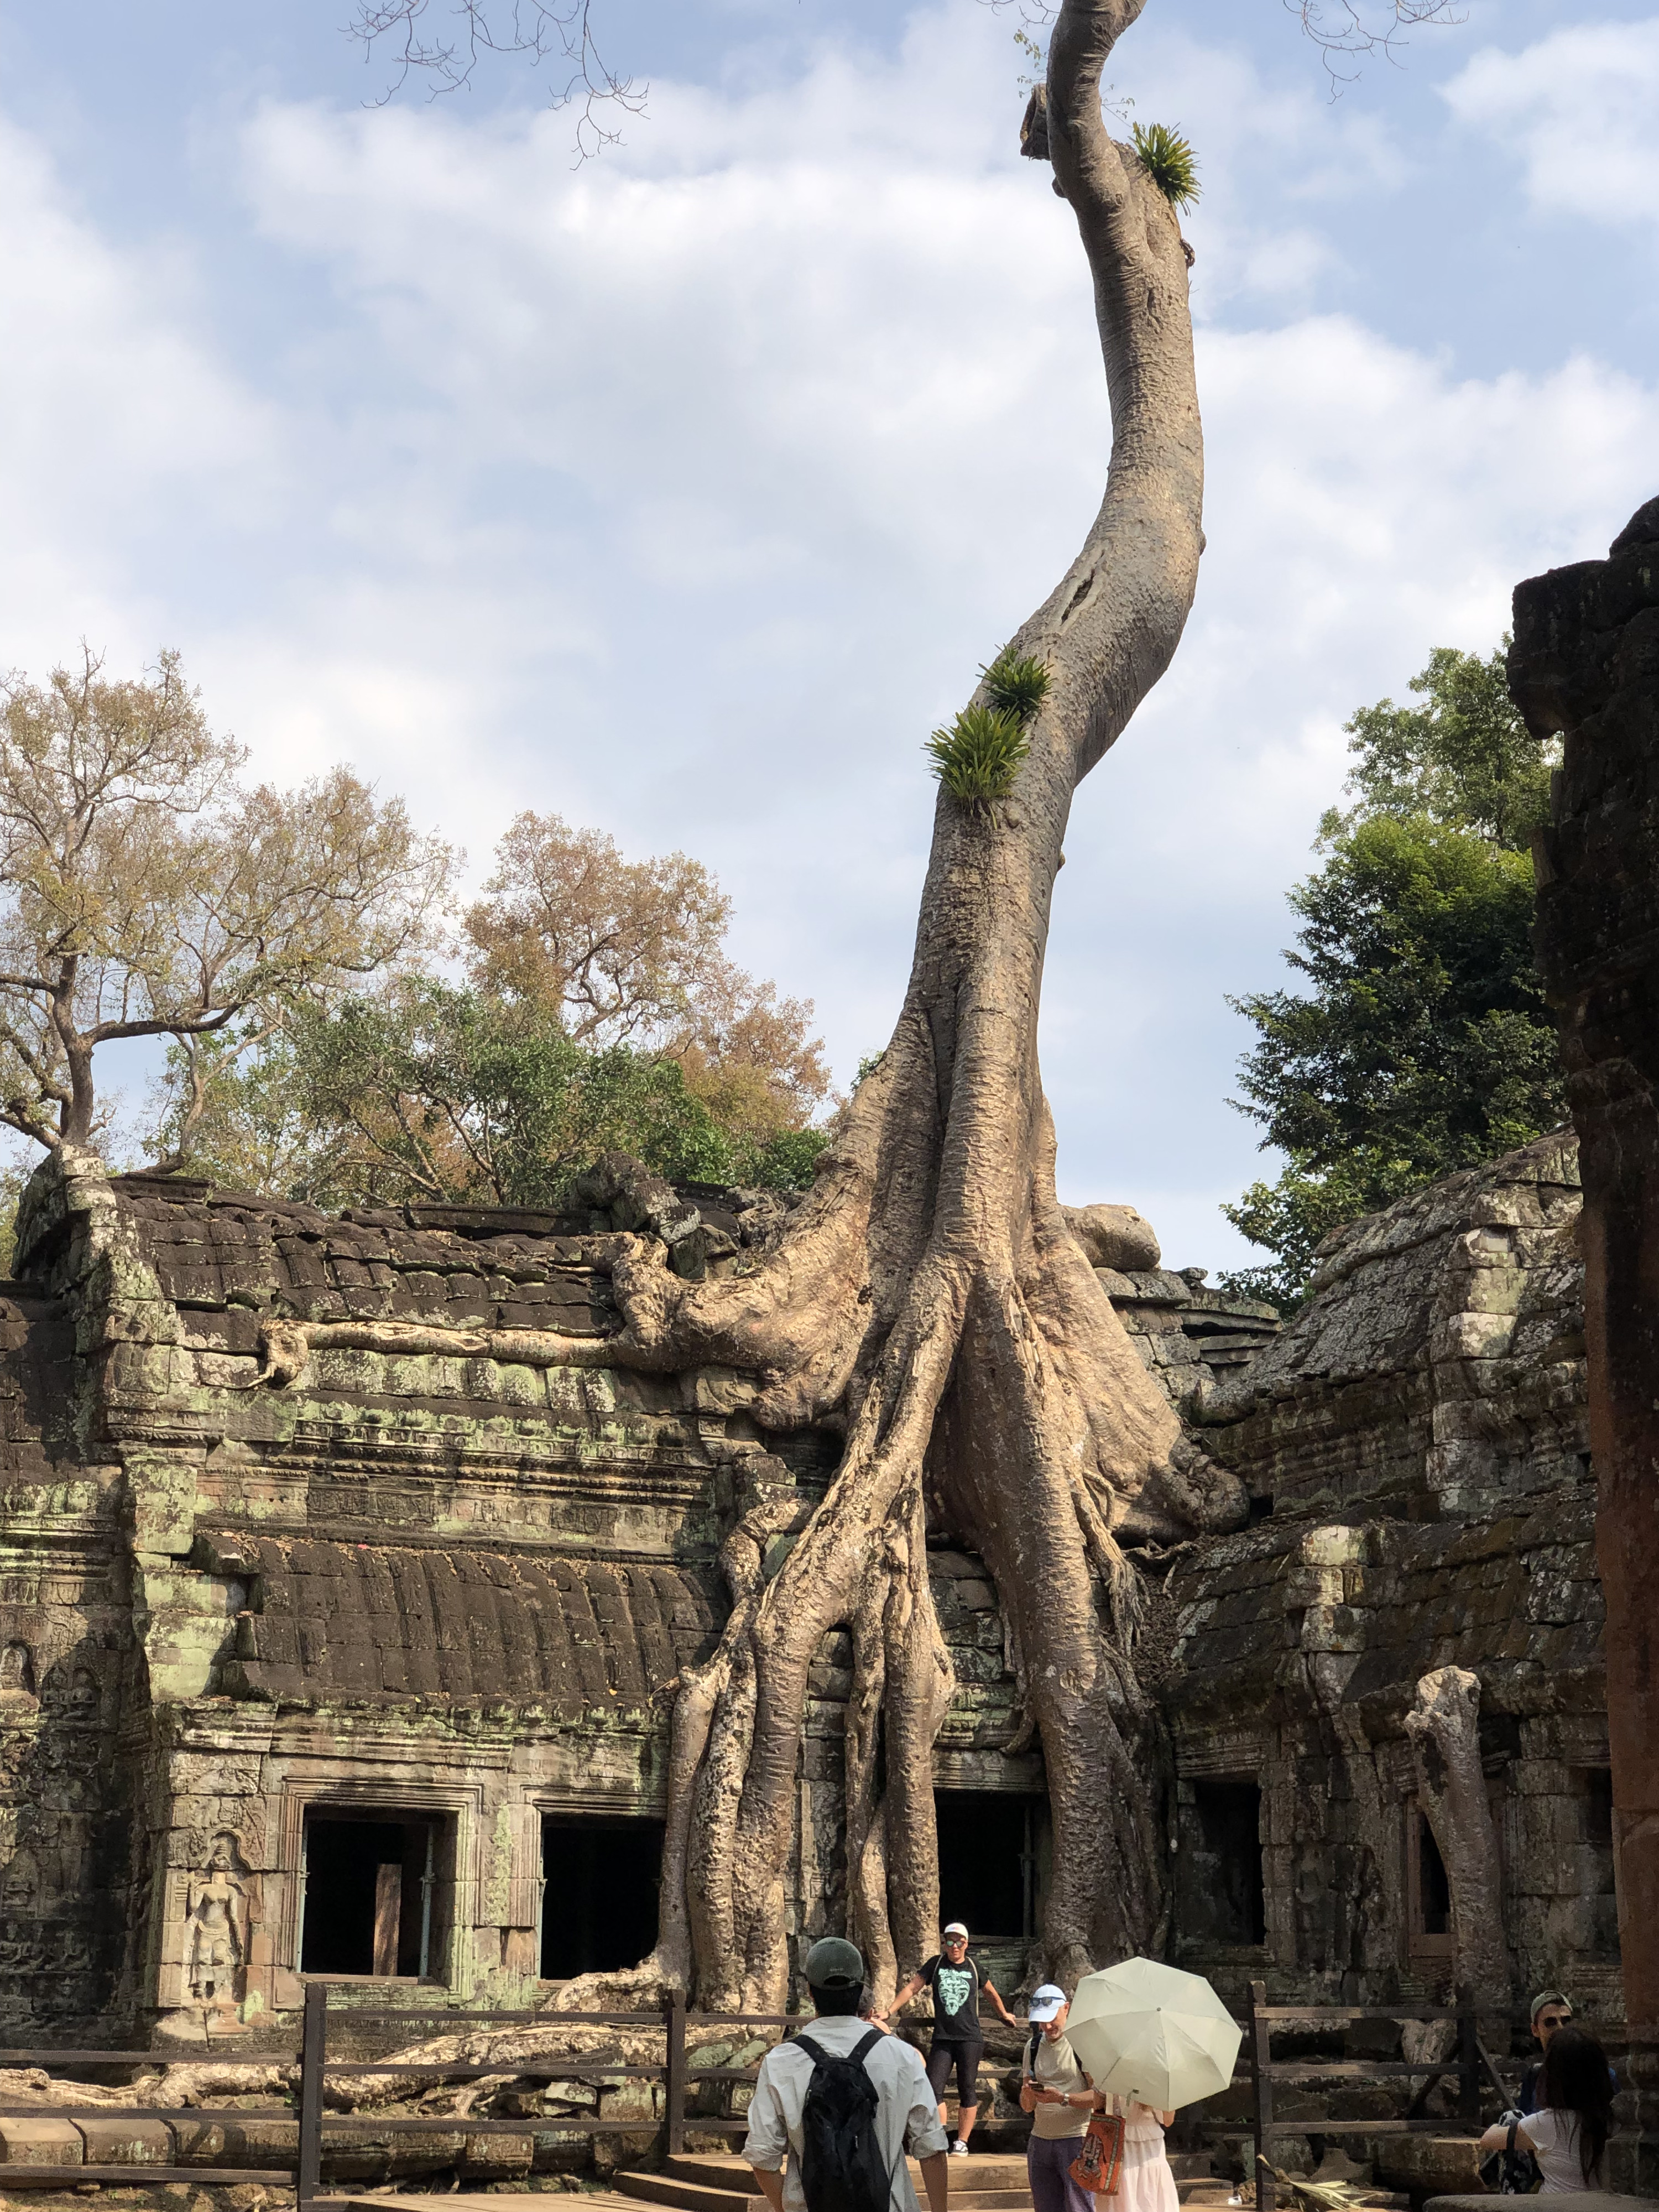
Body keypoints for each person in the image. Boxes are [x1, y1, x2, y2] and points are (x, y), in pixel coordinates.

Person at [746, 1936, 950, 2212]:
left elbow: (762, 2158)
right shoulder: (901, 2056)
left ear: (810, 1991)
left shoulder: (781, 2061)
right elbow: (932, 2148)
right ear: (861, 1988)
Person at [1019, 1984, 1178, 2212]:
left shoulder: (1082, 2046)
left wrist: (1063, 2098)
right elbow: (1027, 2107)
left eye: (1052, 2018)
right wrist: (1028, 2095)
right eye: (1041, 2021)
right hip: (1041, 2139)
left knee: (1081, 2206)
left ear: (1066, 2009)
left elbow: (1099, 2098)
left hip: (1078, 2137)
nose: (1047, 2026)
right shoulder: (1032, 2047)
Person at [881, 1922, 1018, 2153]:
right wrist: (889, 2011)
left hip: (969, 2037)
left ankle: (962, 2142)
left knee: (967, 2087)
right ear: (944, 1943)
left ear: (966, 1943)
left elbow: (990, 1993)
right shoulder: (935, 1964)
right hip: (943, 2038)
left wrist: (1003, 2013)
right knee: (934, 2086)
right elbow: (912, 1988)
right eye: (950, 1941)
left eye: (959, 1941)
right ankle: (940, 2136)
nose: (955, 1946)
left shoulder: (974, 1967)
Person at [1480, 2026, 1615, 2194]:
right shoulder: (1613, 2121)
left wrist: (1505, 2130)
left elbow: (1487, 2140)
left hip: (1552, 2205)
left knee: (1511, 2119)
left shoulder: (1547, 2123)